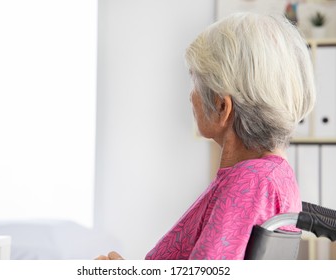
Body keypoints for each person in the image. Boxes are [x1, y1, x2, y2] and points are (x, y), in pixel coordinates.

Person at [96, 12, 316, 260]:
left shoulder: (250, 182)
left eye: (195, 82)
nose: (191, 96)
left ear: (222, 107)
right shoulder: (274, 176)